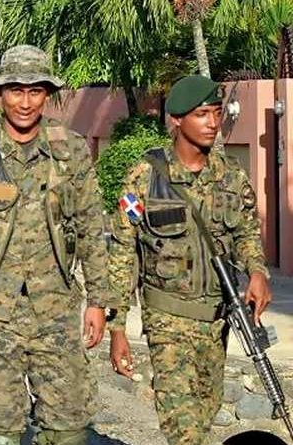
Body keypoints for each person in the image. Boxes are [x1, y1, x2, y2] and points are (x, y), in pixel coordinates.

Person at [0, 45, 111, 445]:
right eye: (15, 91)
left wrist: (98, 301)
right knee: (0, 431)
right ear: (1, 92)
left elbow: (92, 228)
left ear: (46, 93)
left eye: (35, 91)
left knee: (68, 428)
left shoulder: (72, 150)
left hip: (56, 309)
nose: (25, 102)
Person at [108, 75, 272, 445]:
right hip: (167, 321)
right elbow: (121, 253)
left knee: (206, 415)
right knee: (185, 433)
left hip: (217, 321)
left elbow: (246, 233)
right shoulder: (144, 177)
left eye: (216, 113)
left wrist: (257, 272)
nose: (213, 123)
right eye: (202, 114)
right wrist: (117, 329)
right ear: (176, 120)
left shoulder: (230, 176)